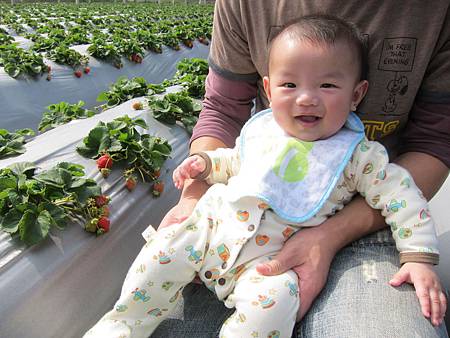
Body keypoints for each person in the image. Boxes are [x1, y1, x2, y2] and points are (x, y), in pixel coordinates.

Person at [84, 16, 446, 338]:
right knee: (160, 253)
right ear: (269, 91)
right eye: (290, 86)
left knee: (276, 302)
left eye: (327, 87)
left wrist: (418, 256)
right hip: (209, 233)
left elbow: (403, 195)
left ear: (357, 94)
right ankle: (122, 325)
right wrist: (205, 166)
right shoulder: (263, 131)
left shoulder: (357, 157)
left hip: (270, 262)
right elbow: (234, 161)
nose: (306, 98)